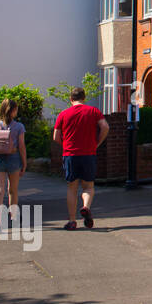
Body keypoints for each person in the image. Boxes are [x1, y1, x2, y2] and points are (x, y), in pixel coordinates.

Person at [52, 87, 108, 230]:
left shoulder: (63, 114)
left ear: (71, 99)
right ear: (84, 98)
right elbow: (105, 127)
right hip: (88, 153)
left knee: (72, 188)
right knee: (88, 186)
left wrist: (65, 144)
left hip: (70, 154)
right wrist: (97, 143)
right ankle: (85, 207)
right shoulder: (93, 111)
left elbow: (55, 136)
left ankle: (72, 221)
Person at [0, 98, 27, 231]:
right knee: (13, 190)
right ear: (13, 111)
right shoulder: (19, 126)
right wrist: (24, 163)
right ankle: (13, 217)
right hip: (13, 160)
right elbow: (21, 146)